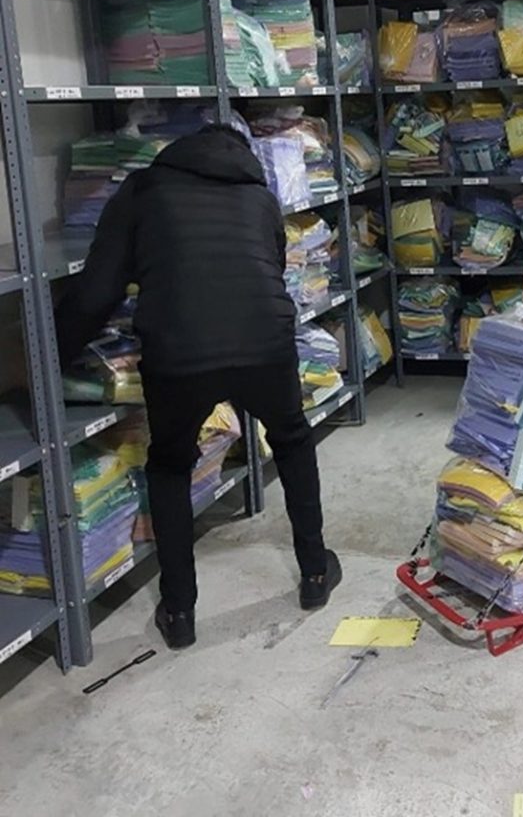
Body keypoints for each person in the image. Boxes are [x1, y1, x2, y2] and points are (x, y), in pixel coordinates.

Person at [56, 123, 342, 650]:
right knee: (293, 442)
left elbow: (98, 291)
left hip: (179, 352)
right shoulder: (259, 195)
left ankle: (180, 610)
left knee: (169, 464)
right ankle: (315, 573)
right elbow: (271, 270)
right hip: (265, 342)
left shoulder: (142, 189)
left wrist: (52, 359)